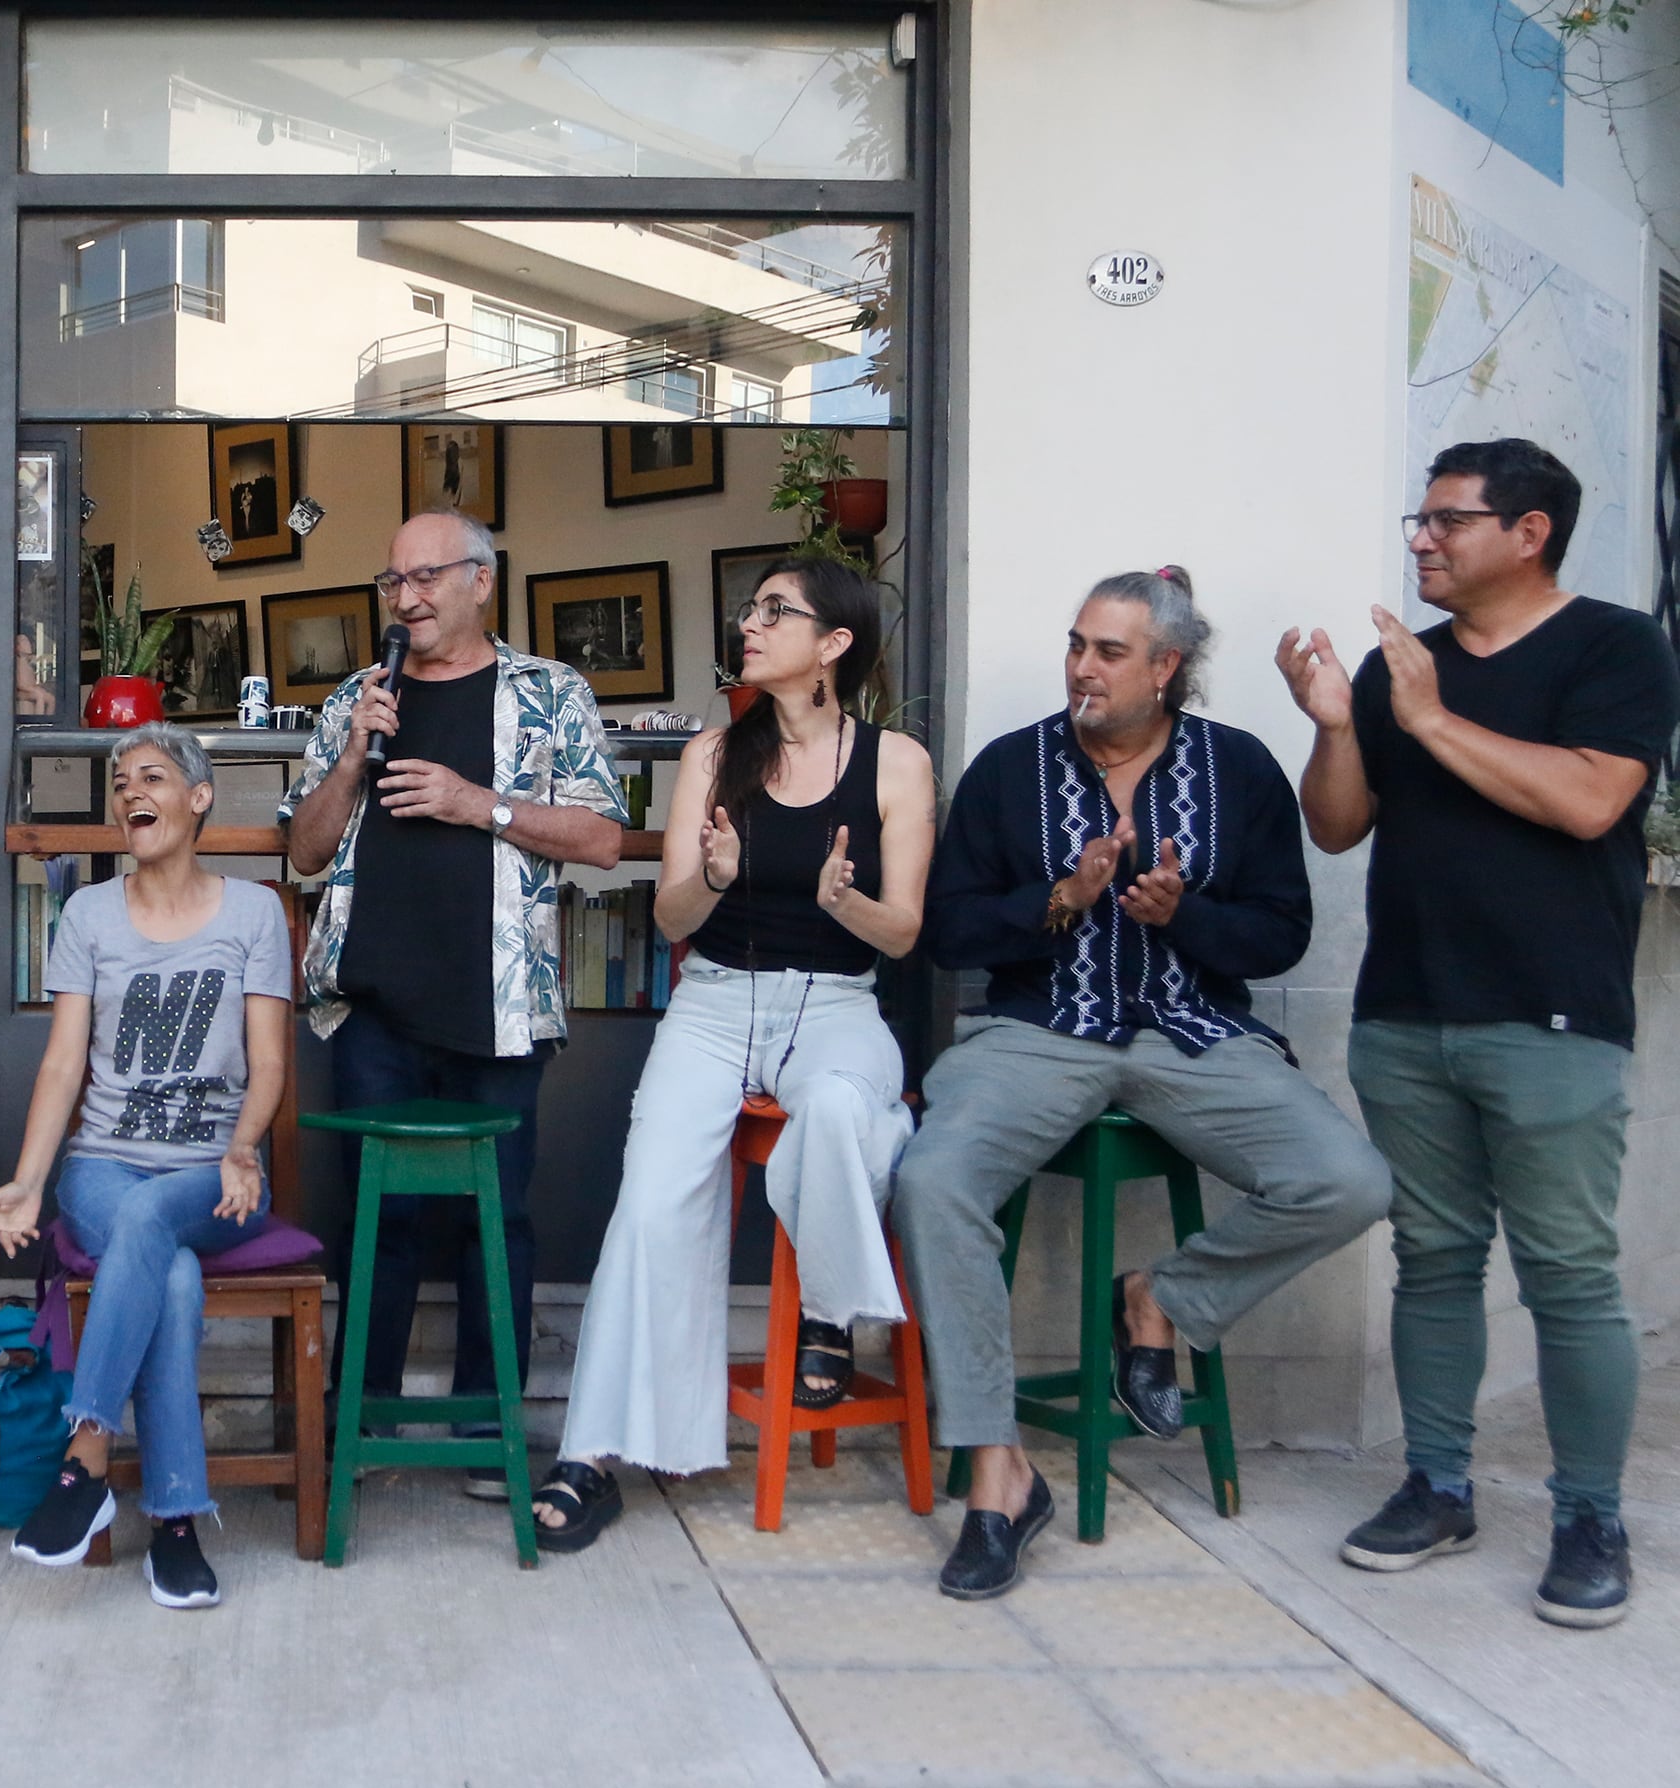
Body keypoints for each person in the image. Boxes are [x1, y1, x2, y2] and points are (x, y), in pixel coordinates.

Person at [897, 568, 1394, 1599]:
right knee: (931, 1181)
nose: (1082, 664)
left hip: (1193, 1031)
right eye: (1077, 642)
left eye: (1109, 650)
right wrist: (1059, 898)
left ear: (1167, 667)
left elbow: (1282, 930)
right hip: (1042, 1031)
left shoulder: (1238, 768)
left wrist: (1186, 919)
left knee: (1349, 1180)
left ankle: (1161, 1298)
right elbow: (946, 931)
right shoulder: (1010, 768)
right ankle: (999, 1475)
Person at [1277, 439, 1680, 1628]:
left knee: (1568, 1275)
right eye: (1421, 518)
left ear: (1528, 531)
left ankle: (1589, 1514)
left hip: (1554, 1016)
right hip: (1407, 1011)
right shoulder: (1402, 665)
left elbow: (1592, 798)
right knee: (1434, 1262)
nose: (1421, 540)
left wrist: (1425, 715)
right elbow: (1341, 828)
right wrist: (1339, 727)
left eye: (1448, 520)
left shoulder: (1615, 647)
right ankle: (1437, 1485)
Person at [531, 557, 932, 1551]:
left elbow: (905, 933)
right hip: (713, 1005)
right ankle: (594, 1453)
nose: (749, 625)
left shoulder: (897, 763)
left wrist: (846, 902)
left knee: (842, 1109)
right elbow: (670, 911)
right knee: (652, 1201)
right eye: (752, 610)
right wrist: (710, 878)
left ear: (833, 644)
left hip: (838, 1003)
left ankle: (833, 1311)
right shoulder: (715, 753)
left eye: (774, 612)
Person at [282, 510, 626, 1495]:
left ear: (483, 580)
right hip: (375, 1005)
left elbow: (604, 838)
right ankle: (365, 1423)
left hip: (501, 1006)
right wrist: (353, 756)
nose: (410, 597)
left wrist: (483, 803)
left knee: (497, 1219)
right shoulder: (360, 695)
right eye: (395, 581)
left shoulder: (550, 692)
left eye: (428, 576)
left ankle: (486, 1421)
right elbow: (302, 853)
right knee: (374, 1220)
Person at [0, 724, 291, 1608]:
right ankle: (177, 1527)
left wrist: (239, 1147)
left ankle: (84, 1465)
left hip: (216, 1179)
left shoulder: (256, 913)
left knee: (159, 1233)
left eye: (151, 777)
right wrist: (33, 1180)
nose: (129, 795)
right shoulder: (89, 914)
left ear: (199, 797)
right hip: (105, 1167)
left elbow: (269, 1063)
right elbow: (63, 1064)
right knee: (170, 1275)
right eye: (120, 784)